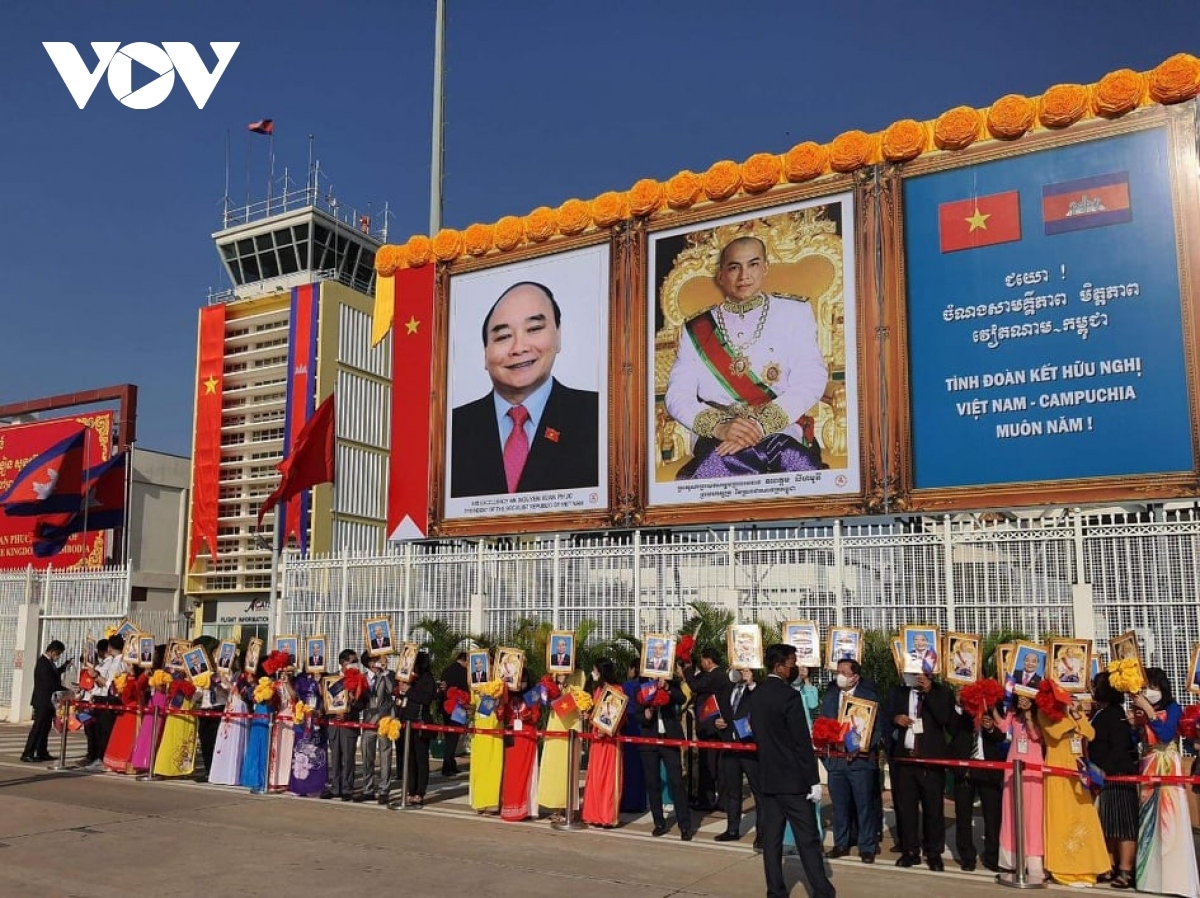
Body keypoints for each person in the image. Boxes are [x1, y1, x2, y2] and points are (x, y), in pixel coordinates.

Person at [665, 236, 827, 481]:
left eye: (752, 264)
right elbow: (677, 396)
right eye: (734, 267)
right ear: (720, 276)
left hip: (782, 429)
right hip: (719, 437)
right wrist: (720, 427)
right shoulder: (696, 328)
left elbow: (811, 379)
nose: (744, 276)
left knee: (798, 469)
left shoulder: (795, 312)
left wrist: (759, 425)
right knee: (714, 473)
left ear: (765, 268)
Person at [450, 281, 600, 498]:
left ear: (558, 336)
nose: (519, 348)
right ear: (485, 354)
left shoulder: (599, 416)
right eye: (503, 337)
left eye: (534, 329)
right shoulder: (452, 429)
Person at [749, 643, 836, 898]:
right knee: (807, 839)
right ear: (779, 666)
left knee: (772, 840)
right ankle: (821, 890)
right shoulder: (789, 696)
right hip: (793, 782)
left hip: (767, 779)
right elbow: (800, 741)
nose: (795, 667)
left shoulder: (757, 695)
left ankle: (775, 890)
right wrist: (813, 780)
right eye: (791, 663)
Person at [1130, 668, 1200, 897]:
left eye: (1153, 686)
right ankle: (1149, 877)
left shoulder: (1172, 708)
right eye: (1146, 686)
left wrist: (1149, 711)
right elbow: (1138, 740)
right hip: (1148, 763)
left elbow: (1167, 735)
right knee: (1149, 820)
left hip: (1167, 763)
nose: (1149, 691)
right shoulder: (1143, 709)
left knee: (1170, 820)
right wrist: (1135, 722)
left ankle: (1175, 879)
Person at [884, 668, 953, 871]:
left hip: (930, 760)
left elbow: (945, 719)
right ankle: (910, 851)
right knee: (906, 810)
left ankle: (934, 853)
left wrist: (929, 691)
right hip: (905, 759)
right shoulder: (898, 692)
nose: (917, 676)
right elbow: (886, 714)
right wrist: (896, 719)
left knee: (933, 810)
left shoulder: (941, 692)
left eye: (921, 673)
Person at [1040, 691, 1109, 886]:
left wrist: (1077, 714)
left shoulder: (1075, 711)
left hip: (1079, 769)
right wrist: (1066, 712)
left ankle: (1087, 867)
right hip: (1057, 770)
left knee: (1085, 817)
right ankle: (1064, 869)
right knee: (1061, 818)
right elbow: (1055, 732)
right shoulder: (1045, 712)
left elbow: (1090, 733)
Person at [820, 658, 882, 863]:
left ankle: (867, 846)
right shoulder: (830, 696)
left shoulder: (869, 697)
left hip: (860, 761)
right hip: (836, 760)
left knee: (864, 805)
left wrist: (863, 746)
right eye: (838, 671)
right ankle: (841, 843)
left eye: (844, 672)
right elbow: (823, 723)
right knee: (839, 805)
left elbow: (876, 729)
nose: (840, 676)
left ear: (855, 676)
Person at [1088, 672, 1139, 890]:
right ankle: (1109, 864)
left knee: (1124, 825)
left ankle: (1125, 870)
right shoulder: (1102, 713)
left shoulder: (1115, 715)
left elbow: (1119, 748)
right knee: (1109, 824)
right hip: (1104, 777)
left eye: (1094, 686)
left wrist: (1103, 770)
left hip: (1118, 775)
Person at [633, 670, 694, 840]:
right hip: (649, 740)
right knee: (653, 783)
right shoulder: (641, 686)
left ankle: (685, 825)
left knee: (677, 782)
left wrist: (666, 686)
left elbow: (681, 699)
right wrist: (645, 716)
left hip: (669, 739)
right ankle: (659, 823)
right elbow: (636, 713)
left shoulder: (670, 683)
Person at [949, 692, 1004, 873]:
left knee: (992, 816)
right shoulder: (960, 704)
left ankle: (992, 857)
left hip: (988, 768)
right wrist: (958, 706)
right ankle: (967, 857)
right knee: (963, 815)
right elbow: (951, 729)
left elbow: (1001, 736)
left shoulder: (994, 702)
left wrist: (989, 729)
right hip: (965, 767)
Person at [996, 693, 1045, 882]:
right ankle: (1012, 860)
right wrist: (991, 706)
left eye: (1027, 699)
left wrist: (1029, 716)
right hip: (1013, 763)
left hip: (1033, 765)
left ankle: (1033, 862)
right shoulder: (1012, 712)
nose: (1024, 701)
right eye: (1021, 698)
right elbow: (1002, 727)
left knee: (1032, 813)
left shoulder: (1038, 714)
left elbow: (1036, 736)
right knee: (1011, 811)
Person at [713, 667, 761, 846]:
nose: (738, 672)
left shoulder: (755, 690)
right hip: (729, 745)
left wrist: (751, 684)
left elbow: (761, 706)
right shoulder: (728, 689)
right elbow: (720, 712)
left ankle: (762, 833)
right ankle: (732, 829)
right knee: (733, 791)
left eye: (742, 669)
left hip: (749, 746)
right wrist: (717, 722)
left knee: (758, 791)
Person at [681, 647, 728, 811]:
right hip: (709, 727)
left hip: (712, 727)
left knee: (710, 766)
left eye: (702, 660)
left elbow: (694, 685)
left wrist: (687, 669)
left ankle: (708, 801)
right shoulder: (712, 675)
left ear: (709, 661)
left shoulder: (716, 676)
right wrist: (687, 658)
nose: (701, 663)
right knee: (714, 766)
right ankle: (717, 800)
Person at [581, 659, 623, 828]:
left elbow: (618, 716)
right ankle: (594, 814)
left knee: (608, 778)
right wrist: (588, 717)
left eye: (595, 671)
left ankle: (607, 816)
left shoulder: (616, 690)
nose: (593, 674)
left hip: (610, 741)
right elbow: (596, 714)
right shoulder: (598, 689)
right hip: (596, 740)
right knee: (596, 776)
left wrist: (604, 729)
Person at [322, 649, 366, 801]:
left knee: (348, 758)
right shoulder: (331, 678)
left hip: (349, 723)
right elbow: (326, 702)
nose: (355, 664)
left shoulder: (360, 679)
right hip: (334, 724)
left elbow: (362, 703)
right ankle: (335, 787)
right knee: (334, 757)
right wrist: (331, 712)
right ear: (343, 662)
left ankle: (347, 788)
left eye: (356, 662)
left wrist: (352, 703)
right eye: (352, 661)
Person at [538, 672, 581, 822]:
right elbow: (541, 701)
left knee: (567, 767)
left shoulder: (579, 675)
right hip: (554, 722)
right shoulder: (551, 676)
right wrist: (552, 686)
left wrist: (563, 686)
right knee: (553, 767)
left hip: (570, 723)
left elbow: (576, 700)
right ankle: (555, 807)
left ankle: (567, 808)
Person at [500, 667, 540, 821]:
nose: (521, 683)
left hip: (527, 737)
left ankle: (528, 809)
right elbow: (499, 715)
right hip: (512, 738)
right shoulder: (507, 696)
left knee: (528, 773)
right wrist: (500, 697)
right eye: (519, 680)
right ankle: (511, 807)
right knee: (511, 774)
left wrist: (526, 715)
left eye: (523, 680)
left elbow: (536, 716)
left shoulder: (532, 694)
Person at [22, 640, 69, 762]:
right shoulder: (43, 663)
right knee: (38, 727)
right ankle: (28, 753)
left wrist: (63, 668)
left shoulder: (49, 663)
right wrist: (67, 691)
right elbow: (50, 683)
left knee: (45, 728)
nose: (58, 656)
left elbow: (53, 674)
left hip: (49, 702)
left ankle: (42, 751)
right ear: (52, 651)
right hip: (42, 701)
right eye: (58, 653)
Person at [358, 651, 396, 803]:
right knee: (367, 755)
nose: (378, 663)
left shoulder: (388, 675)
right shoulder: (362, 677)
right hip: (368, 720)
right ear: (369, 662)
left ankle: (384, 789)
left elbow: (392, 689)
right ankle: (367, 788)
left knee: (385, 755)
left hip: (384, 720)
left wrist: (385, 672)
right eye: (375, 660)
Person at [400, 651, 437, 807]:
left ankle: (420, 792)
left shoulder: (428, 679)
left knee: (421, 759)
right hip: (407, 722)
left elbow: (426, 698)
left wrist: (409, 690)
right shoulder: (409, 678)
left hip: (421, 722)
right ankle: (410, 790)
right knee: (410, 758)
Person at [287, 670, 328, 797]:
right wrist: (287, 681)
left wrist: (319, 681)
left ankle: (315, 787)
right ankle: (298, 786)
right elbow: (293, 696)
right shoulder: (300, 678)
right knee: (300, 752)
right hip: (302, 719)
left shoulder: (325, 676)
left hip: (317, 719)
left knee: (315, 753)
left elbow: (326, 696)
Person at [208, 672, 250, 787]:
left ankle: (233, 775)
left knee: (235, 742)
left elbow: (242, 696)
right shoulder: (230, 674)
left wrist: (228, 684)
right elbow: (229, 693)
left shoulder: (244, 676)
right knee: (224, 741)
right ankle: (221, 773)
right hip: (229, 707)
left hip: (239, 708)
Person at [438, 651, 469, 776]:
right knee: (453, 738)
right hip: (457, 708)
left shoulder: (447, 670)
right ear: (465, 660)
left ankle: (451, 763)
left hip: (446, 707)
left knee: (449, 737)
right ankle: (447, 766)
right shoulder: (463, 673)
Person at [79, 637, 108, 766]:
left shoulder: (98, 670)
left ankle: (94, 755)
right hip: (85, 703)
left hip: (95, 702)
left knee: (95, 732)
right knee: (89, 731)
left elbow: (98, 686)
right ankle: (91, 754)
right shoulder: (86, 672)